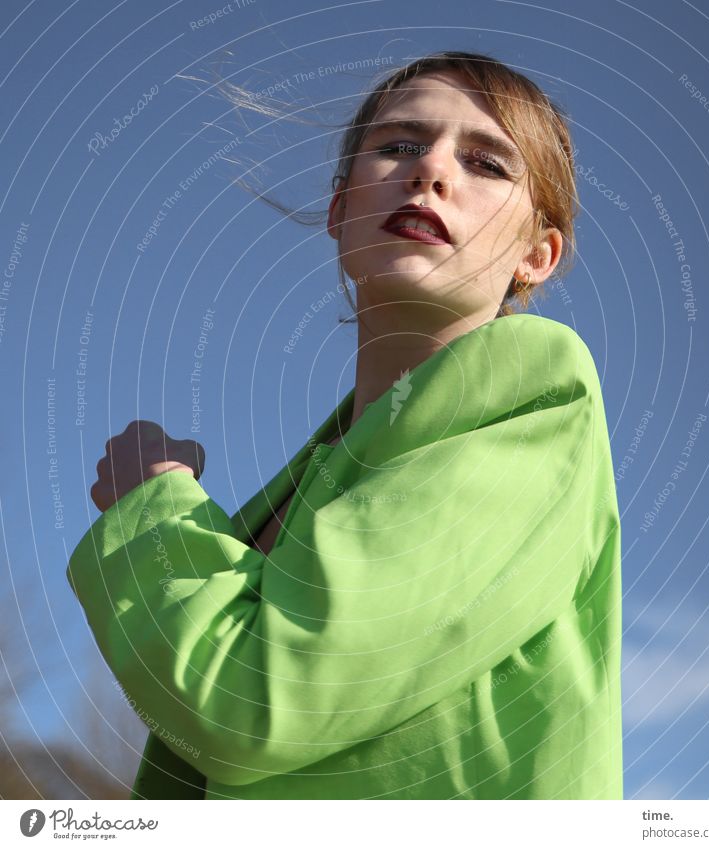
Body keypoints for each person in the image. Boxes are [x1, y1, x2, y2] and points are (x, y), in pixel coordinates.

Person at [67, 51, 622, 800]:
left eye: (487, 163)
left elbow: (248, 702)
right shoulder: (307, 482)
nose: (430, 171)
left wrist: (150, 509)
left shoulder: (538, 389)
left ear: (537, 254)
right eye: (396, 145)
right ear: (340, 211)